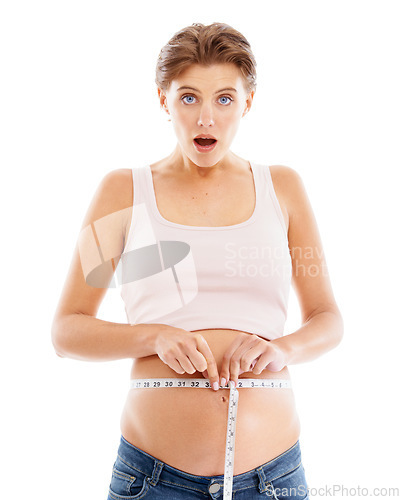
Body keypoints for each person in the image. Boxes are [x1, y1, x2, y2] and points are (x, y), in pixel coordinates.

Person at [51, 22, 344, 499]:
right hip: (151, 480)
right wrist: (153, 336)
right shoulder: (121, 192)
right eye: (188, 98)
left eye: (224, 99)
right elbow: (67, 330)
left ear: (248, 102)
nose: (206, 118)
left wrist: (284, 350)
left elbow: (327, 318)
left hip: (274, 479)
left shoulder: (283, 189)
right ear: (163, 99)